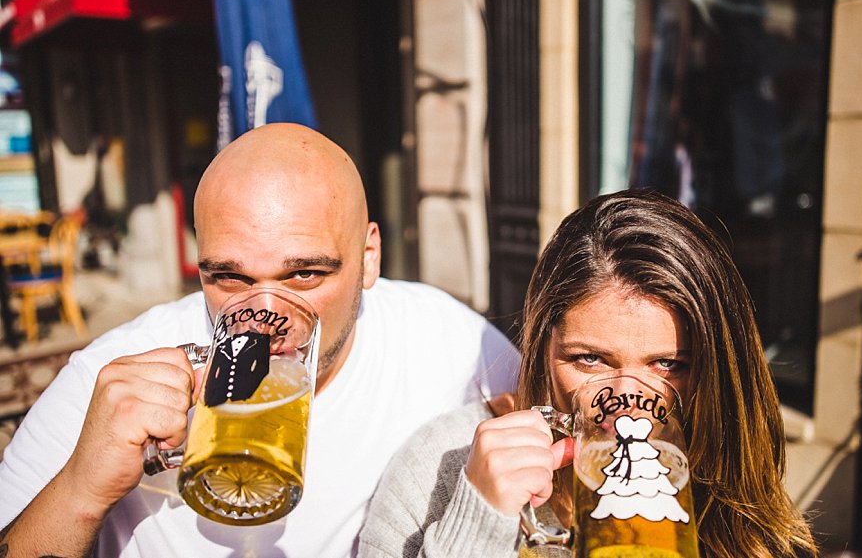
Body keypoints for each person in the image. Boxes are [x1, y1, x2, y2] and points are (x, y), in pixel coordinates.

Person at [0, 123, 520, 558]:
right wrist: (81, 492)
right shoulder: (112, 376)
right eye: (230, 278)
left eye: (304, 275)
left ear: (368, 258)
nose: (265, 316)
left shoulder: (455, 346)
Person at [358, 188, 818, 558]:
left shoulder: (721, 478)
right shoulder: (440, 467)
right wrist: (477, 523)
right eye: (590, 360)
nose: (624, 409)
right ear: (543, 345)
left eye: (668, 365)